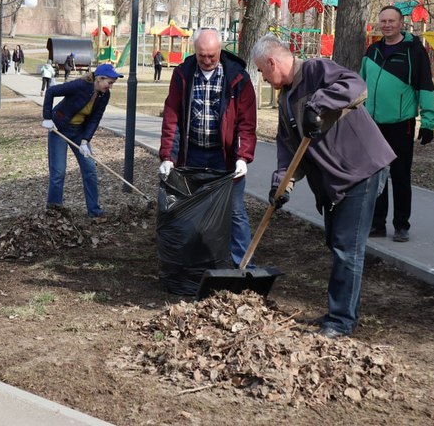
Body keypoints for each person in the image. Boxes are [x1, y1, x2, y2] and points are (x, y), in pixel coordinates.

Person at [251, 34, 395, 339]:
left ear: (272, 62)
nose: (264, 78)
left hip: (361, 170)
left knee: (347, 248)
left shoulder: (316, 70)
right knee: (336, 242)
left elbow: (356, 86)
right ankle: (340, 312)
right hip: (333, 181)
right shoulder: (286, 99)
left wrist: (318, 104)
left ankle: (341, 322)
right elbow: (287, 150)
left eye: (263, 72)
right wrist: (282, 186)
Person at [159, 28, 256, 267]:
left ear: (220, 51)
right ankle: (194, 262)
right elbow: (172, 116)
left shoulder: (238, 78)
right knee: (191, 209)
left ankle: (242, 265)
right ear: (195, 51)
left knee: (234, 212)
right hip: (192, 153)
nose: (207, 60)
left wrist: (243, 157)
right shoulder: (183, 75)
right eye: (202, 55)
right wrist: (167, 156)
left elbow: (246, 122)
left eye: (212, 55)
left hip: (225, 157)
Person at [360, 6, 434, 243]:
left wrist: (428, 121)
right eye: (383, 21)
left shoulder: (414, 51)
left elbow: (425, 85)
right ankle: (377, 224)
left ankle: (401, 225)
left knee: (400, 175)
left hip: (401, 124)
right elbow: (361, 85)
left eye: (391, 21)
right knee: (375, 175)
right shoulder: (372, 51)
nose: (387, 25)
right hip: (374, 123)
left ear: (401, 22)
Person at [41, 63, 123, 218]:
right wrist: (47, 117)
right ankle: (53, 211)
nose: (110, 86)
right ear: (100, 79)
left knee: (90, 169)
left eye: (112, 83)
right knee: (58, 172)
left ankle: (94, 211)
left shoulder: (104, 95)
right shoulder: (80, 85)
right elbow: (51, 91)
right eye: (109, 83)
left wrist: (85, 141)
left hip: (79, 132)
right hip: (59, 128)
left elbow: (95, 119)